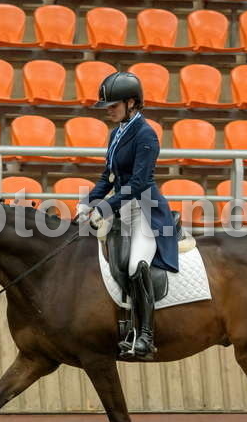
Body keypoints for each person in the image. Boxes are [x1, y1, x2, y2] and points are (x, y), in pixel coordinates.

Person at [75, 72, 179, 360]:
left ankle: (145, 336)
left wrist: (104, 208)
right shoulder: (116, 133)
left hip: (146, 210)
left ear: (131, 103)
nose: (108, 110)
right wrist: (88, 202)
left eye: (113, 105)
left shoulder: (146, 135)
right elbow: (107, 177)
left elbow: (139, 183)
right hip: (122, 209)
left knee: (136, 264)